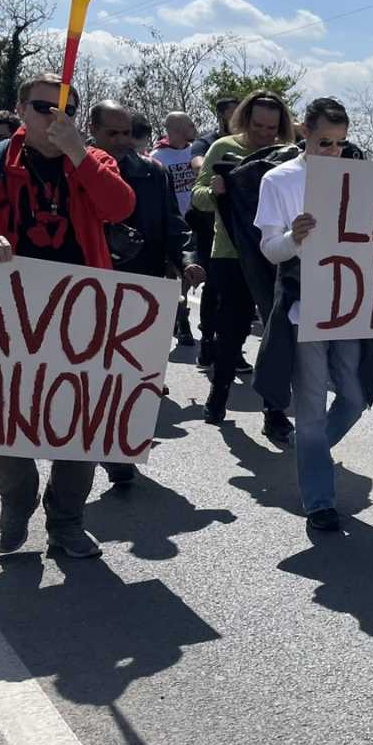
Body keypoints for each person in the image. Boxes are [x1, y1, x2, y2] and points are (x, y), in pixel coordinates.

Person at [0, 74, 136, 558]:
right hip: (5, 315)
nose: (54, 117)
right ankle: (16, 504)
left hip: (81, 316)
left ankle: (67, 520)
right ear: (21, 109)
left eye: (64, 108)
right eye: (43, 107)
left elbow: (119, 207)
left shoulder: (94, 161)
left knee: (80, 425)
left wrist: (78, 153)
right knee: (4, 421)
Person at [254, 98, 373, 531]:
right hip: (304, 309)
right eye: (325, 141)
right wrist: (293, 237)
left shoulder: (360, 181)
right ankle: (319, 501)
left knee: (356, 396)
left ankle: (311, 454)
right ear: (304, 132)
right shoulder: (279, 180)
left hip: (350, 306)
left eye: (341, 144)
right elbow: (269, 250)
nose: (332, 151)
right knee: (308, 408)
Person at [87, 101, 206, 485]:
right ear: (92, 131)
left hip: (144, 285)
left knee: (138, 374)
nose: (120, 142)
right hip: (91, 286)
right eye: (111, 134)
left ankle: (121, 447)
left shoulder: (152, 172)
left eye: (126, 134)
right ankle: (100, 445)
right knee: (97, 373)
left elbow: (174, 222)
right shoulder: (74, 170)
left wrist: (186, 258)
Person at [191, 90, 297, 432]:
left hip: (276, 255)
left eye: (272, 127)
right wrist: (216, 190)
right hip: (231, 253)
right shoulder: (223, 148)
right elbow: (198, 198)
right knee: (231, 330)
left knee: (276, 335)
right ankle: (218, 395)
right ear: (244, 119)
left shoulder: (288, 155)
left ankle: (274, 412)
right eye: (258, 126)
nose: (265, 134)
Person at [187, 97, 240, 366]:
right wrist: (215, 170)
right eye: (232, 115)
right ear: (221, 116)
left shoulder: (256, 144)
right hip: (210, 226)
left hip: (241, 230)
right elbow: (198, 164)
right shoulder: (209, 143)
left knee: (238, 296)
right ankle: (207, 339)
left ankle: (233, 348)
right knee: (214, 286)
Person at [151, 111, 201, 346]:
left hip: (194, 223)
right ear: (179, 127)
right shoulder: (157, 156)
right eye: (190, 123)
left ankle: (178, 315)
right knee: (172, 276)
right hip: (170, 225)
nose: (194, 127)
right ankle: (182, 320)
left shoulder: (196, 152)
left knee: (188, 275)